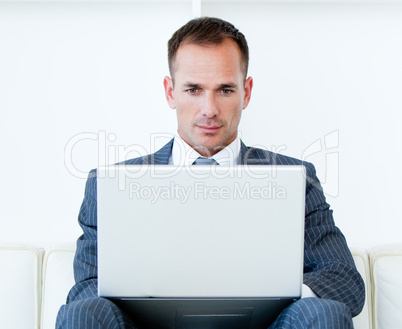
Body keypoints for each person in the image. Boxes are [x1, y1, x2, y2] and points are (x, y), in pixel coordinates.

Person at [56, 17, 365, 329]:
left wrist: (278, 294)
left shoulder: (297, 178)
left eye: (225, 90)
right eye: (193, 89)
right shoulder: (111, 186)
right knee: (80, 314)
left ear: (246, 92)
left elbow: (344, 281)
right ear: (170, 91)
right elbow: (86, 287)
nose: (209, 109)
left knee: (326, 314)